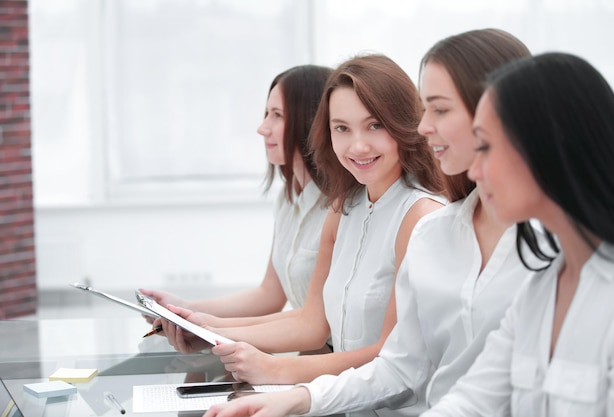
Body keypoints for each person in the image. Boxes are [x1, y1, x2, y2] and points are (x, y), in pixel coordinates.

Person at [201, 28, 537, 417]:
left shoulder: (427, 217)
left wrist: (282, 374)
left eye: (439, 109)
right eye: (341, 128)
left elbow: (412, 367)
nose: (425, 126)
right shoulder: (427, 227)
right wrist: (294, 393)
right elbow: (402, 364)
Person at [160, 54, 447, 385]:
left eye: (374, 125)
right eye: (342, 128)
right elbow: (312, 324)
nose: (358, 145)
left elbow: (389, 355)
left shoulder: (421, 215)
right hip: (345, 397)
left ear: (404, 123)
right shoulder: (343, 209)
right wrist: (209, 329)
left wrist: (274, 369)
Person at [420, 52, 614, 416]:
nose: (474, 172)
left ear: (545, 145)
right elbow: (472, 401)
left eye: (484, 146)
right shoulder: (540, 290)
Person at [140, 65, 332, 325]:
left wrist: (206, 324)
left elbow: (312, 322)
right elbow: (270, 294)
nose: (263, 128)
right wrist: (184, 307)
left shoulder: (339, 208)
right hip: (310, 351)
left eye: (277, 115)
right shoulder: (287, 200)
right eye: (267, 113)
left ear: (310, 121)